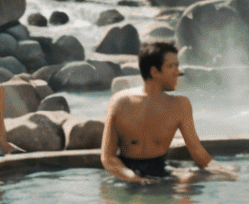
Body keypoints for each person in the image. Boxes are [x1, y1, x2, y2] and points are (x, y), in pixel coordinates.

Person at [99, 40, 234, 184]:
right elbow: (107, 157)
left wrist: (222, 169)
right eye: (171, 66)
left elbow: (197, 152)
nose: (178, 72)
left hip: (160, 168)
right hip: (127, 171)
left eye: (177, 65)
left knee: (213, 177)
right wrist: (132, 177)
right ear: (154, 71)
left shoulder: (180, 105)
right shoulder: (120, 102)